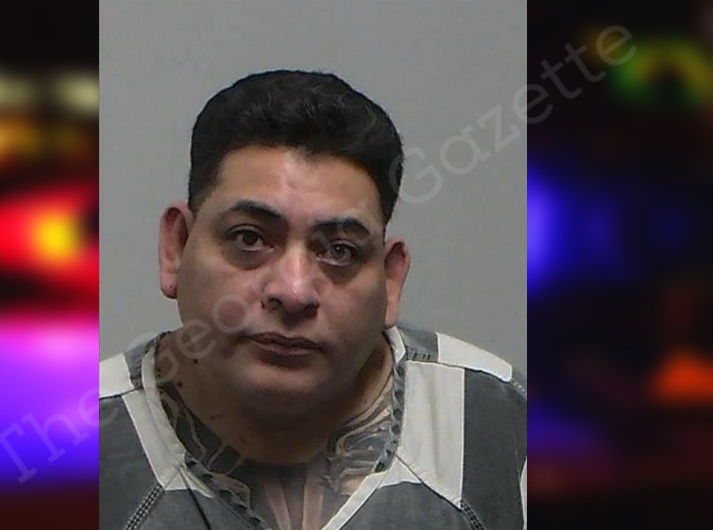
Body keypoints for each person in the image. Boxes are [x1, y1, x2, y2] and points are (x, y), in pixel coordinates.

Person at [99, 70, 526, 530]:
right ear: (177, 247)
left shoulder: (503, 426)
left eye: (339, 251)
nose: (294, 291)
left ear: (390, 279)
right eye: (249, 238)